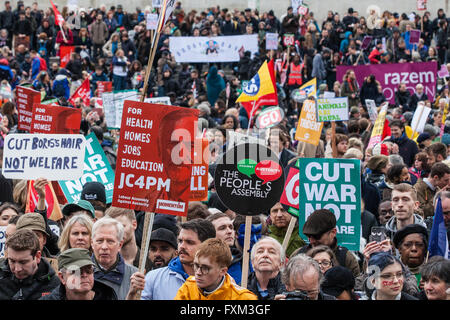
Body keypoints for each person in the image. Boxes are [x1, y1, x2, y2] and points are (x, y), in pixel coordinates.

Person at [141, 219, 216, 300]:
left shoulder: (223, 281)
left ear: (207, 245)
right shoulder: (153, 278)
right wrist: (133, 293)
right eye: (180, 241)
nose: (182, 246)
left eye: (189, 242)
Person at [174, 238, 257, 300]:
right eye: (196, 265)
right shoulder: (188, 287)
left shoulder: (243, 298)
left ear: (223, 271)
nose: (198, 272)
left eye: (205, 268)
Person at [294, 209, 360, 277]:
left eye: (317, 236)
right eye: (308, 236)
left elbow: (356, 285)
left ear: (333, 232)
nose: (311, 240)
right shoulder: (298, 255)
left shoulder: (346, 258)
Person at [0, 229, 60, 300]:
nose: (17, 269)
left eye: (23, 262)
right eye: (12, 261)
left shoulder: (55, 286)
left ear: (37, 256)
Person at [90, 217, 139, 300]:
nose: (104, 247)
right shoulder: (79, 273)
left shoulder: (135, 277)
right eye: (100, 241)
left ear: (120, 245)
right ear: (92, 243)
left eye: (110, 241)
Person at [40, 248, 117, 300]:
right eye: (75, 271)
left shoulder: (107, 295)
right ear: (62, 277)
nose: (84, 274)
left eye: (88, 270)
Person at [206, 212, 243, 285]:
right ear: (210, 234)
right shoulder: (201, 262)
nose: (229, 231)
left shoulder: (244, 260)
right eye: (222, 228)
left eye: (231, 227)